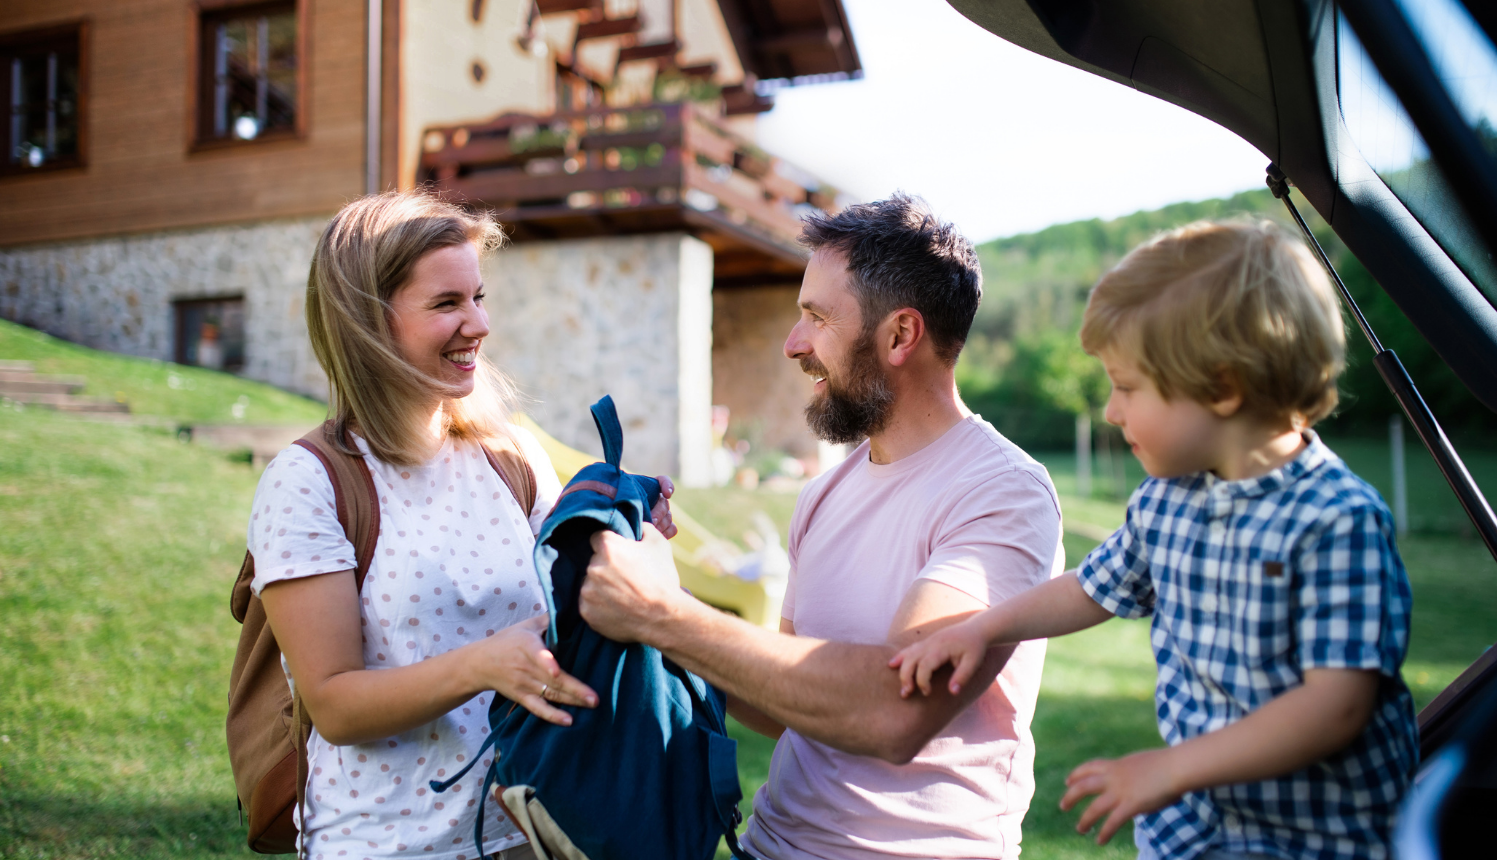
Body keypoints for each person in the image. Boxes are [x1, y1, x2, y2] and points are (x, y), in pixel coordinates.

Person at [892, 220, 1418, 860]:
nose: (1111, 411)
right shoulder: (1167, 500)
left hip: (1316, 839)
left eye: (1127, 387)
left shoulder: (1337, 521)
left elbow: (1336, 708)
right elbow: (1089, 590)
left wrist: (1170, 770)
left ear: (1222, 387)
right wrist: (982, 627)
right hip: (1194, 833)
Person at [580, 194, 1065, 859]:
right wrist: (657, 588)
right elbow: (787, 705)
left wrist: (665, 615)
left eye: (815, 317)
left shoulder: (1002, 493)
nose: (793, 343)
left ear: (900, 335)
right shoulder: (825, 494)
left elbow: (896, 711)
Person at [249, 191, 674, 860]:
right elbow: (334, 704)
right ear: (366, 322)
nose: (477, 325)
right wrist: (483, 665)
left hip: (528, 831)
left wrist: (622, 528)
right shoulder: (310, 482)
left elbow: (573, 618)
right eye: (447, 304)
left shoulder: (511, 457)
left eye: (478, 298)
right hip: (383, 845)